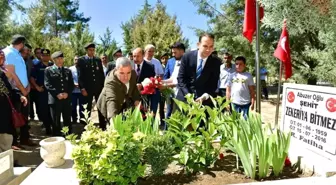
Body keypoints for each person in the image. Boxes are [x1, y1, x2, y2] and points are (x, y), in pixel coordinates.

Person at [3, 34, 34, 147]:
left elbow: (22, 73)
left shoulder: (17, 54)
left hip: (24, 90)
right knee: (15, 117)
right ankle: (14, 142)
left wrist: (28, 86)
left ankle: (24, 139)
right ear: (21, 44)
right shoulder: (9, 53)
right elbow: (12, 74)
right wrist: (22, 89)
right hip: (16, 91)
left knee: (24, 117)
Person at [176, 33, 221, 106]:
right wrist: (189, 96)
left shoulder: (216, 62)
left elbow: (213, 84)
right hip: (184, 100)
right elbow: (181, 79)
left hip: (203, 102)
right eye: (205, 46)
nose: (208, 50)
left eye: (211, 46)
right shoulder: (187, 57)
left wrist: (205, 96)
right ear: (198, 44)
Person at [97, 57, 141, 128]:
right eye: (122, 73)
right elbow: (111, 101)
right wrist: (113, 124)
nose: (126, 77)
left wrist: (137, 104)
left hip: (124, 102)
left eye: (128, 73)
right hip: (109, 105)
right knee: (112, 127)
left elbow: (134, 88)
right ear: (116, 70)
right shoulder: (110, 82)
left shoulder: (133, 74)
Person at [0, 48, 27, 152]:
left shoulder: (2, 73)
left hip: (4, 113)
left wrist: (20, 96)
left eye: (3, 57)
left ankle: (6, 164)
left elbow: (9, 91)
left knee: (6, 140)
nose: (1, 58)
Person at [45, 51, 74, 135]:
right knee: (56, 120)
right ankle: (57, 137)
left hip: (66, 99)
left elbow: (71, 85)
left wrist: (67, 93)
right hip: (55, 99)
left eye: (61, 58)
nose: (60, 60)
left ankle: (68, 136)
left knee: (67, 119)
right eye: (58, 59)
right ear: (54, 60)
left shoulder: (67, 71)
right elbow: (47, 84)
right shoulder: (49, 70)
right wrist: (57, 94)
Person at [77, 43, 105, 126]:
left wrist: (103, 87)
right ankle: (86, 125)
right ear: (87, 50)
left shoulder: (97, 60)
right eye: (90, 50)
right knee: (87, 107)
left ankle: (102, 125)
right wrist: (82, 88)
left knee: (100, 106)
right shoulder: (81, 60)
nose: (92, 52)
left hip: (98, 88)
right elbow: (80, 75)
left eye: (93, 50)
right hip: (87, 89)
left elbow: (101, 74)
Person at [30, 49, 54, 134]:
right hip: (42, 91)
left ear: (49, 56)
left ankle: (53, 125)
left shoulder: (52, 65)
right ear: (41, 56)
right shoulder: (37, 65)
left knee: (52, 108)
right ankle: (47, 127)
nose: (45, 57)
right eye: (43, 55)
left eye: (47, 55)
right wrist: (37, 87)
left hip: (51, 91)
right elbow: (32, 78)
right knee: (43, 110)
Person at [163, 42, 185, 119]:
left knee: (180, 116)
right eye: (172, 52)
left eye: (175, 52)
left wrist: (166, 85)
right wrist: (161, 82)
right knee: (171, 113)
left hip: (183, 95)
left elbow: (180, 81)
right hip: (174, 92)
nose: (173, 55)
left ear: (182, 51)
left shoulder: (187, 62)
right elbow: (173, 78)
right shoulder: (177, 62)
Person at [133, 48, 157, 113]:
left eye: (138, 56)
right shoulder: (129, 66)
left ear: (143, 56)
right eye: (134, 56)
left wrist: (142, 85)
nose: (135, 58)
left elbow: (152, 81)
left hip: (144, 98)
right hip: (132, 99)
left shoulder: (150, 66)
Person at [69, 56, 84, 124]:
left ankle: (82, 119)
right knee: (73, 106)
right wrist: (73, 84)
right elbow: (69, 79)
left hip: (81, 91)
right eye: (75, 59)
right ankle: (74, 119)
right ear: (73, 60)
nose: (76, 61)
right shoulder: (70, 69)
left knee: (82, 106)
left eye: (77, 60)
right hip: (73, 91)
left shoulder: (82, 68)